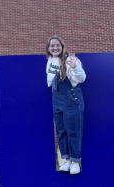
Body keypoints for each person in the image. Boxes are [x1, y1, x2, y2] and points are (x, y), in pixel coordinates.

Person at [45, 35, 86, 175]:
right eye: (52, 46)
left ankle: (75, 161)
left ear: (62, 47)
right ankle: (66, 159)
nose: (55, 48)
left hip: (71, 99)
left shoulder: (70, 60)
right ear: (48, 49)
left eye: (57, 45)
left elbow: (81, 78)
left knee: (73, 131)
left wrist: (75, 68)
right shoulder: (50, 61)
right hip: (56, 100)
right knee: (61, 131)